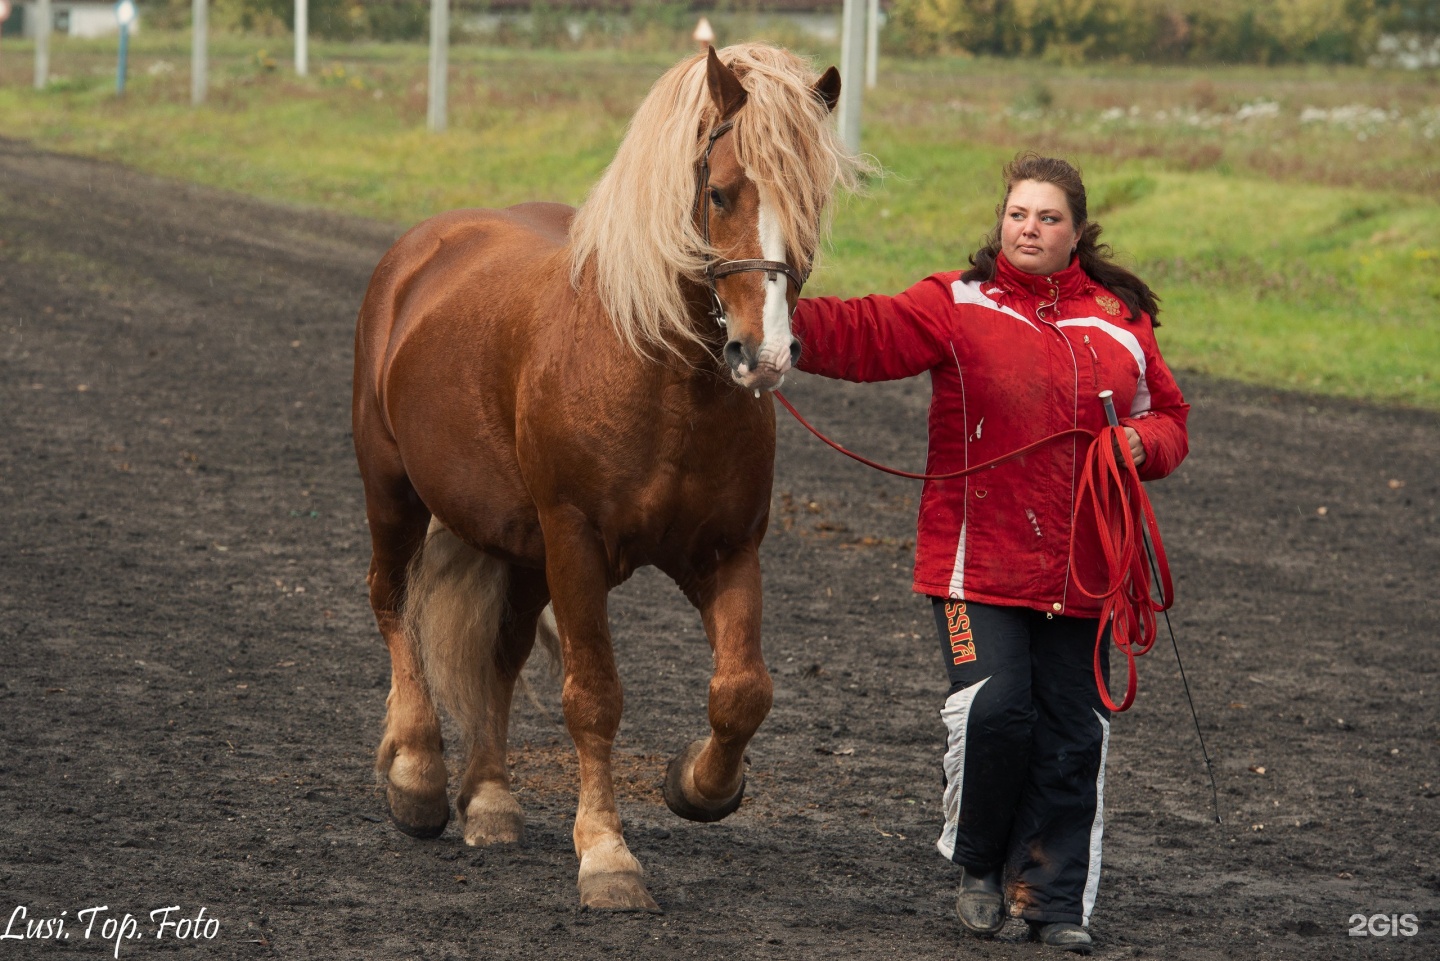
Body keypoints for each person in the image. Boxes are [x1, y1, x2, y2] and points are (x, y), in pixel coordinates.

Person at [788, 152, 1189, 954]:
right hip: (978, 564)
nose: (1029, 228)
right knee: (998, 710)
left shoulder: (1119, 316)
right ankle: (978, 866)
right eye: (1017, 214)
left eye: (1047, 217)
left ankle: (1052, 900)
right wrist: (772, 318)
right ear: (1000, 221)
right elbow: (864, 333)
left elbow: (1169, 414)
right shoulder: (954, 302)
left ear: (1076, 231)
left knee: (1075, 733)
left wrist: (1138, 444)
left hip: (1085, 569)